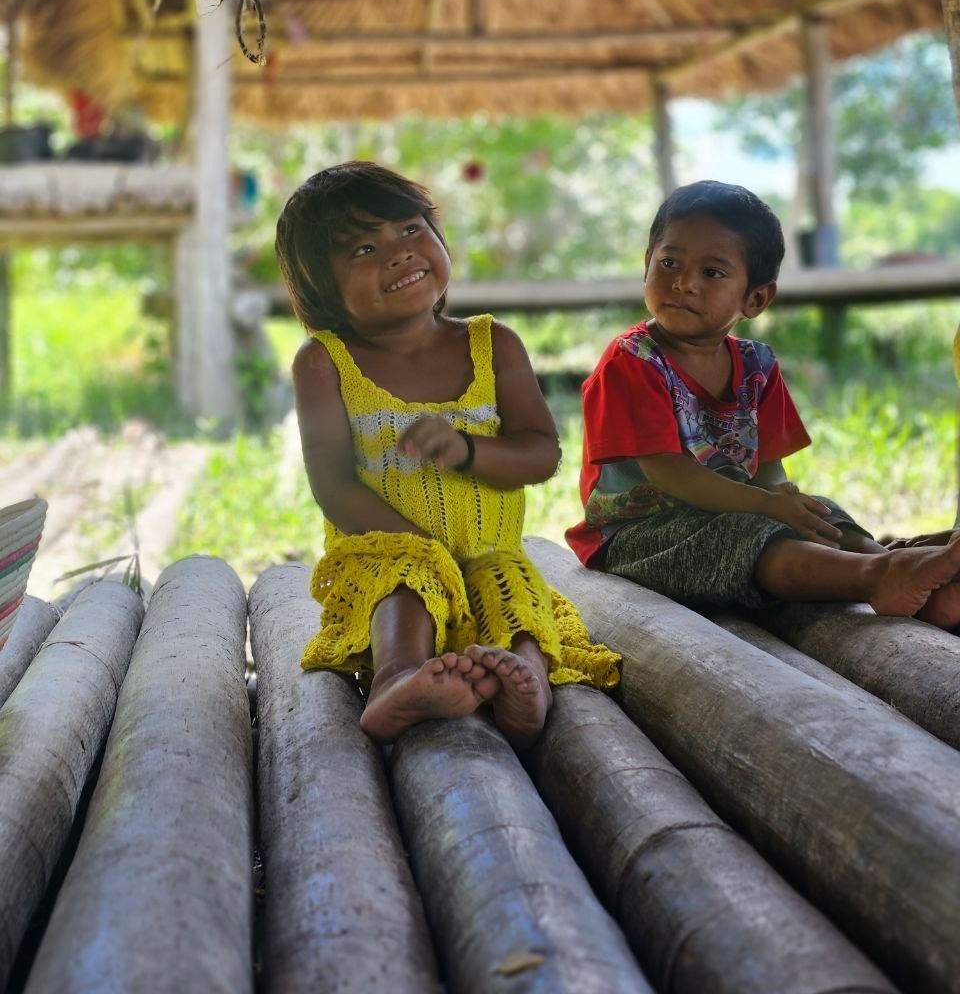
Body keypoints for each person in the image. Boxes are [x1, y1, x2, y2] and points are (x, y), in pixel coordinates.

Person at [275, 161, 619, 747]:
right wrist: (424, 550)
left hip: (486, 551)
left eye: (411, 231)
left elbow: (540, 455)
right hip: (384, 555)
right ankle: (398, 679)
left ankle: (526, 681)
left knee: (515, 591)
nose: (398, 253)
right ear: (319, 286)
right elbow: (334, 486)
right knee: (407, 575)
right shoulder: (325, 361)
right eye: (363, 248)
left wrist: (466, 451)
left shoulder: (493, 345)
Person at [566, 180, 960, 628]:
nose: (684, 283)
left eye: (712, 273)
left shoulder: (757, 365)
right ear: (646, 266)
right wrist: (766, 507)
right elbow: (671, 473)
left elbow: (768, 467)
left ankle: (909, 573)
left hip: (731, 512)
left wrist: (784, 501)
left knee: (821, 511)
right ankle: (877, 576)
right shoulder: (631, 362)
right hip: (637, 536)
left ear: (755, 299)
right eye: (670, 262)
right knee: (748, 536)